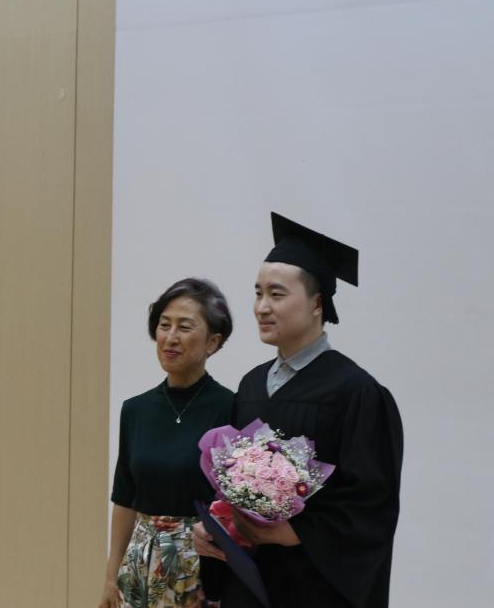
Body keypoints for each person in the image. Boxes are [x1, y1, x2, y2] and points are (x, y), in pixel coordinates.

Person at [195, 213, 404, 607]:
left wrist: (292, 532)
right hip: (249, 584)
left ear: (316, 303)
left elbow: (370, 508)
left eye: (277, 294)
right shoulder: (251, 385)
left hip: (312, 588)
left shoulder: (356, 392)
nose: (262, 307)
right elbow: (229, 485)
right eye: (258, 293)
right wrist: (217, 526)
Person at [100, 278, 234, 608]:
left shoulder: (232, 409)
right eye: (164, 325)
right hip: (139, 565)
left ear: (213, 342)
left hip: (201, 568)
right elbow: (125, 498)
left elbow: (235, 508)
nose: (170, 337)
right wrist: (110, 576)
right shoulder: (135, 410)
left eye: (184, 327)